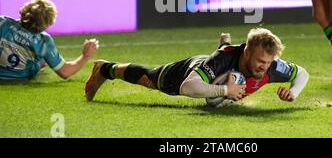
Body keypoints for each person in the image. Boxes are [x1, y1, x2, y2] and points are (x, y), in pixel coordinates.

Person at [85, 28, 309, 104]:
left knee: (219, 95)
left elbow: (302, 73)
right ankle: (105, 68)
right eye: (261, 61)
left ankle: (224, 44)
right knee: (151, 79)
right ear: (247, 51)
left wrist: (293, 92)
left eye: (268, 62)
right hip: (191, 70)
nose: (264, 67)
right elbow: (187, 87)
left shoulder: (270, 65)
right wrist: (225, 91)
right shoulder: (223, 59)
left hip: (221, 69)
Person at [0, 0, 99, 81]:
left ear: (24, 10)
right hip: (25, 76)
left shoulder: (1, 22)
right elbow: (65, 72)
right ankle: (40, 63)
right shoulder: (44, 41)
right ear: (48, 24)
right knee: (40, 59)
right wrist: (85, 56)